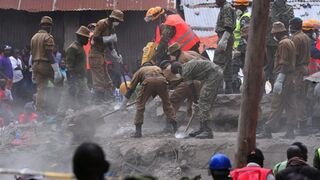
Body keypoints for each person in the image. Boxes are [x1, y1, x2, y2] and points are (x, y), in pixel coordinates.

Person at [257, 22, 297, 139]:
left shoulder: (283, 44)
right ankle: (290, 131)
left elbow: (284, 63)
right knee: (290, 104)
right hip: (290, 78)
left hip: (284, 78)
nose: (273, 35)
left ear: (278, 33)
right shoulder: (290, 41)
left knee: (276, 104)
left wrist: (280, 79)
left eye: (274, 33)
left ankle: (268, 129)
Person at [120, 62, 178, 138]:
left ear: (143, 66)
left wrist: (123, 104)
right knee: (167, 104)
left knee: (140, 105)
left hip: (148, 81)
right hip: (162, 81)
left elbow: (131, 89)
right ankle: (175, 128)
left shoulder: (140, 70)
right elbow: (161, 84)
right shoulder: (158, 68)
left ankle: (138, 132)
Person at [171, 60, 223, 139]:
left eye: (177, 73)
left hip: (214, 74)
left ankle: (207, 131)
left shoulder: (185, 71)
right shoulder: (187, 66)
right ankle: (202, 129)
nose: (178, 75)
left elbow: (192, 88)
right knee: (203, 100)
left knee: (203, 101)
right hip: (214, 73)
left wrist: (196, 100)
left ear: (178, 69)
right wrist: (197, 99)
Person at [89, 10, 124, 103]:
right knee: (99, 81)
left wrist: (115, 54)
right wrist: (109, 38)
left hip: (102, 54)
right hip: (95, 54)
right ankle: (98, 103)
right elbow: (95, 38)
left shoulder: (111, 27)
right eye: (118, 20)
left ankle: (109, 101)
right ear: (113, 18)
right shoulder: (101, 23)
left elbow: (110, 43)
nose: (119, 23)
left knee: (107, 79)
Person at [30, 16, 62, 115]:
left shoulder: (34, 37)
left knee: (41, 89)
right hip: (45, 65)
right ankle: (59, 107)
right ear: (49, 26)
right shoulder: (48, 37)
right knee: (60, 82)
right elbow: (49, 54)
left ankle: (40, 111)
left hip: (35, 64)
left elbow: (32, 54)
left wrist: (33, 70)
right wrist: (56, 70)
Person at [289, 17, 311, 135]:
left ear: (294, 26)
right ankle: (304, 123)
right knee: (303, 97)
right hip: (306, 69)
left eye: (291, 25)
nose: (290, 28)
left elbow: (294, 56)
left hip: (298, 70)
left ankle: (301, 125)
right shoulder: (306, 37)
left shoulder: (296, 38)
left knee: (298, 98)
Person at [265, 0, 294, 89]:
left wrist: (281, 13)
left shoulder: (289, 8)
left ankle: (277, 87)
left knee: (280, 65)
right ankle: (264, 88)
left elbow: (290, 21)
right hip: (270, 42)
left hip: (282, 40)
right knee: (268, 66)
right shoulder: (268, 7)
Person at [65, 26, 91, 110]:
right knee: (71, 101)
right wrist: (72, 83)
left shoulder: (80, 48)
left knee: (85, 99)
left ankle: (82, 117)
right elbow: (69, 67)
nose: (88, 40)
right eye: (86, 38)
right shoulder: (73, 48)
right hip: (75, 79)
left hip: (81, 79)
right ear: (81, 37)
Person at [213, 0, 236, 94]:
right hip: (226, 37)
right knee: (227, 63)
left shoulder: (226, 7)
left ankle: (218, 89)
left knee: (218, 62)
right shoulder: (225, 7)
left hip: (224, 36)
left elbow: (228, 26)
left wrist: (224, 39)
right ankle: (228, 89)